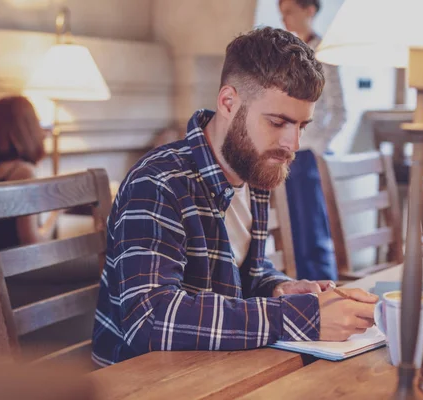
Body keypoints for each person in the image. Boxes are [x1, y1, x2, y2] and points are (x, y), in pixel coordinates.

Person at [92, 27, 375, 367]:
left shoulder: (252, 170)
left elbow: (243, 274)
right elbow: (151, 320)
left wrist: (278, 288)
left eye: (301, 126)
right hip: (146, 381)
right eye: (278, 122)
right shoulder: (157, 183)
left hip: (219, 366)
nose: (293, 145)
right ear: (228, 102)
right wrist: (296, 317)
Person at [279, 0, 347, 281]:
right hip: (284, 151)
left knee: (313, 230)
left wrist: (317, 148)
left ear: (310, 11)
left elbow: (339, 112)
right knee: (290, 230)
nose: (284, 19)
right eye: (281, 13)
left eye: (290, 11)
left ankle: (324, 290)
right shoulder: (286, 54)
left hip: (309, 155)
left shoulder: (325, 53)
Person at [0, 96, 57, 249]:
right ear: (28, 129)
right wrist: (56, 214)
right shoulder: (23, 173)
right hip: (18, 267)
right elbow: (31, 241)